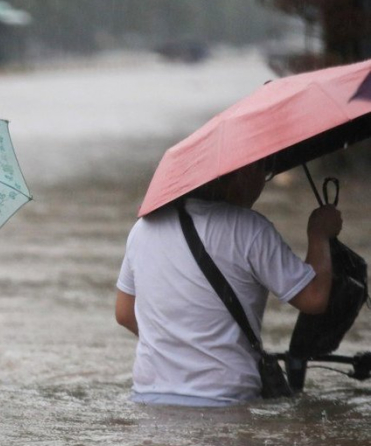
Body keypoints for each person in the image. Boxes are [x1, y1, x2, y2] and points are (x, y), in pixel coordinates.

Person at [115, 161, 342, 406]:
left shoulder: (143, 228)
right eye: (262, 173)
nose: (261, 185)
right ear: (241, 174)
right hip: (225, 401)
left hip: (149, 399)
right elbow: (314, 297)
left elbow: (124, 313)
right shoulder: (250, 229)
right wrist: (319, 235)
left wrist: (179, 344)